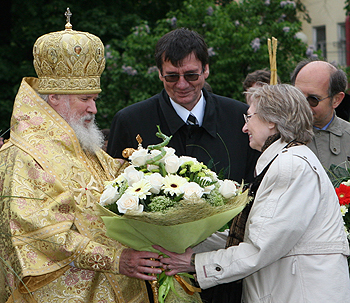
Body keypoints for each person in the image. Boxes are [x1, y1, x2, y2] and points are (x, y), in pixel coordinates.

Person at [0, 10, 162, 303]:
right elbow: (38, 234)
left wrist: (158, 177)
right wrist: (116, 259)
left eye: (94, 99)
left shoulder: (81, 146)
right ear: (55, 98)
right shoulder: (23, 155)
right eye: (85, 99)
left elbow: (110, 184)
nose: (94, 109)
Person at [154, 84, 350, 303]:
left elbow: (259, 248)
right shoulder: (286, 161)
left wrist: (193, 262)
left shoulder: (290, 165)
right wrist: (183, 239)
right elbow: (251, 237)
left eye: (249, 118)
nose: (244, 128)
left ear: (272, 120)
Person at [107, 28, 259, 184]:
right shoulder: (130, 122)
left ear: (205, 69)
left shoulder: (240, 118)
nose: (182, 84)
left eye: (191, 75)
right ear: (160, 74)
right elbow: (114, 188)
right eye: (172, 76)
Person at [291, 59, 350, 169]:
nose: (303, 105)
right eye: (297, 96)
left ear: (336, 100)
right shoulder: (279, 135)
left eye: (313, 99)